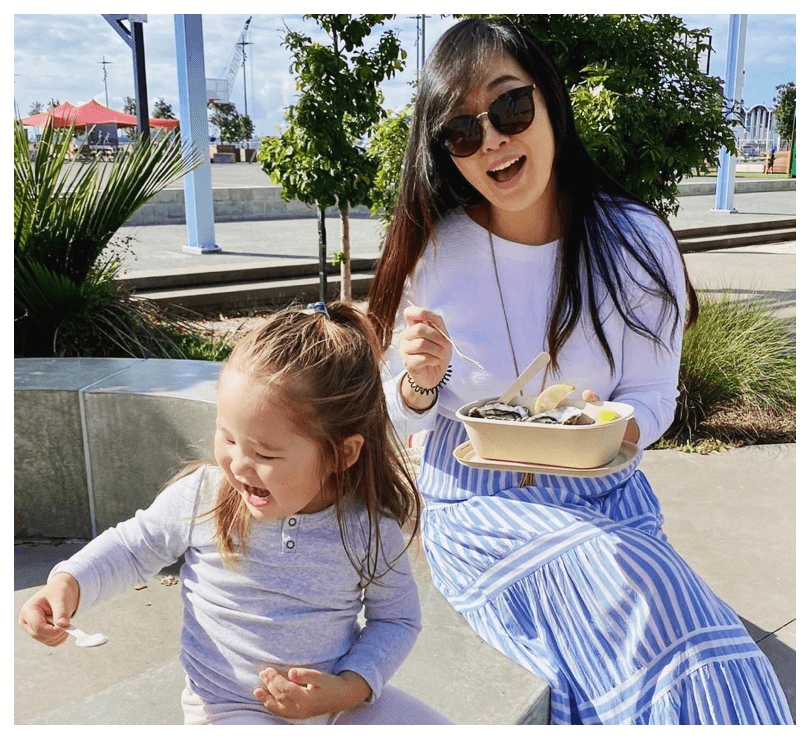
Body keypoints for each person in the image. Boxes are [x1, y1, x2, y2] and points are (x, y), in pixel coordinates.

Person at [367, 17, 792, 725]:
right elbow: (397, 407)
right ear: (448, 154)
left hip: (604, 490)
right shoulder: (434, 250)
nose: (494, 140)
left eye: (509, 107)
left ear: (549, 100)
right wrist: (419, 380)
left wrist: (610, 425)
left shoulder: (634, 239)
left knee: (683, 625)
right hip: (477, 503)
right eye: (463, 132)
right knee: (642, 597)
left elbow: (652, 395)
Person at [18, 302, 452, 726]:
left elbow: (395, 618)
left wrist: (350, 687)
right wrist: (68, 583)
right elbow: (133, 547)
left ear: (343, 453)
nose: (238, 465)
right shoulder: (205, 497)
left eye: (264, 453)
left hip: (336, 701)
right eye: (227, 438)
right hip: (228, 707)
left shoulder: (367, 528)